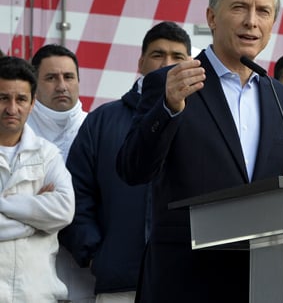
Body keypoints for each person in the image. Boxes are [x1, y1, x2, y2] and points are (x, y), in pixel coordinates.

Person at [117, 0, 283, 302]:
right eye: (239, 8)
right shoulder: (172, 82)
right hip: (184, 280)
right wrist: (168, 108)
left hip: (260, 281)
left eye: (263, 11)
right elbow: (133, 169)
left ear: (272, 23)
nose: (252, 21)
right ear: (212, 17)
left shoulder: (282, 98)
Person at [60, 22, 191, 303]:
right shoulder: (102, 120)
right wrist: (96, 255)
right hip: (119, 285)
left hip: (188, 283)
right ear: (141, 62)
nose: (167, 64)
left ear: (190, 65)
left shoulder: (201, 120)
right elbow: (76, 193)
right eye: (158, 54)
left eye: (177, 57)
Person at [0, 56, 75, 302]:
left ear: (32, 103)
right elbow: (52, 216)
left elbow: (64, 211)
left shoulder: (48, 155)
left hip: (37, 295)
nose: (12, 108)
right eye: (3, 98)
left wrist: (4, 205)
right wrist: (36, 218)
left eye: (21, 99)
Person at [28, 44, 94, 302]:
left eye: (69, 77)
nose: (62, 86)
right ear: (34, 83)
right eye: (51, 77)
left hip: (86, 275)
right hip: (28, 275)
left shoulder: (95, 128)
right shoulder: (16, 136)